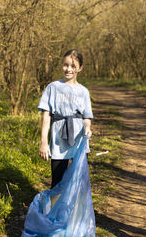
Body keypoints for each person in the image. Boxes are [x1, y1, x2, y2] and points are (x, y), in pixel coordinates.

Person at [37, 49, 93, 189]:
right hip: (58, 141)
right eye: (65, 65)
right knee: (57, 180)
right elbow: (46, 116)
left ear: (80, 68)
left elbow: (86, 117)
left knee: (78, 182)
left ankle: (74, 211)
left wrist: (87, 128)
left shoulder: (83, 91)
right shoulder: (53, 87)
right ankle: (56, 210)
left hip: (78, 141)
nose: (68, 69)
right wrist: (44, 142)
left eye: (73, 66)